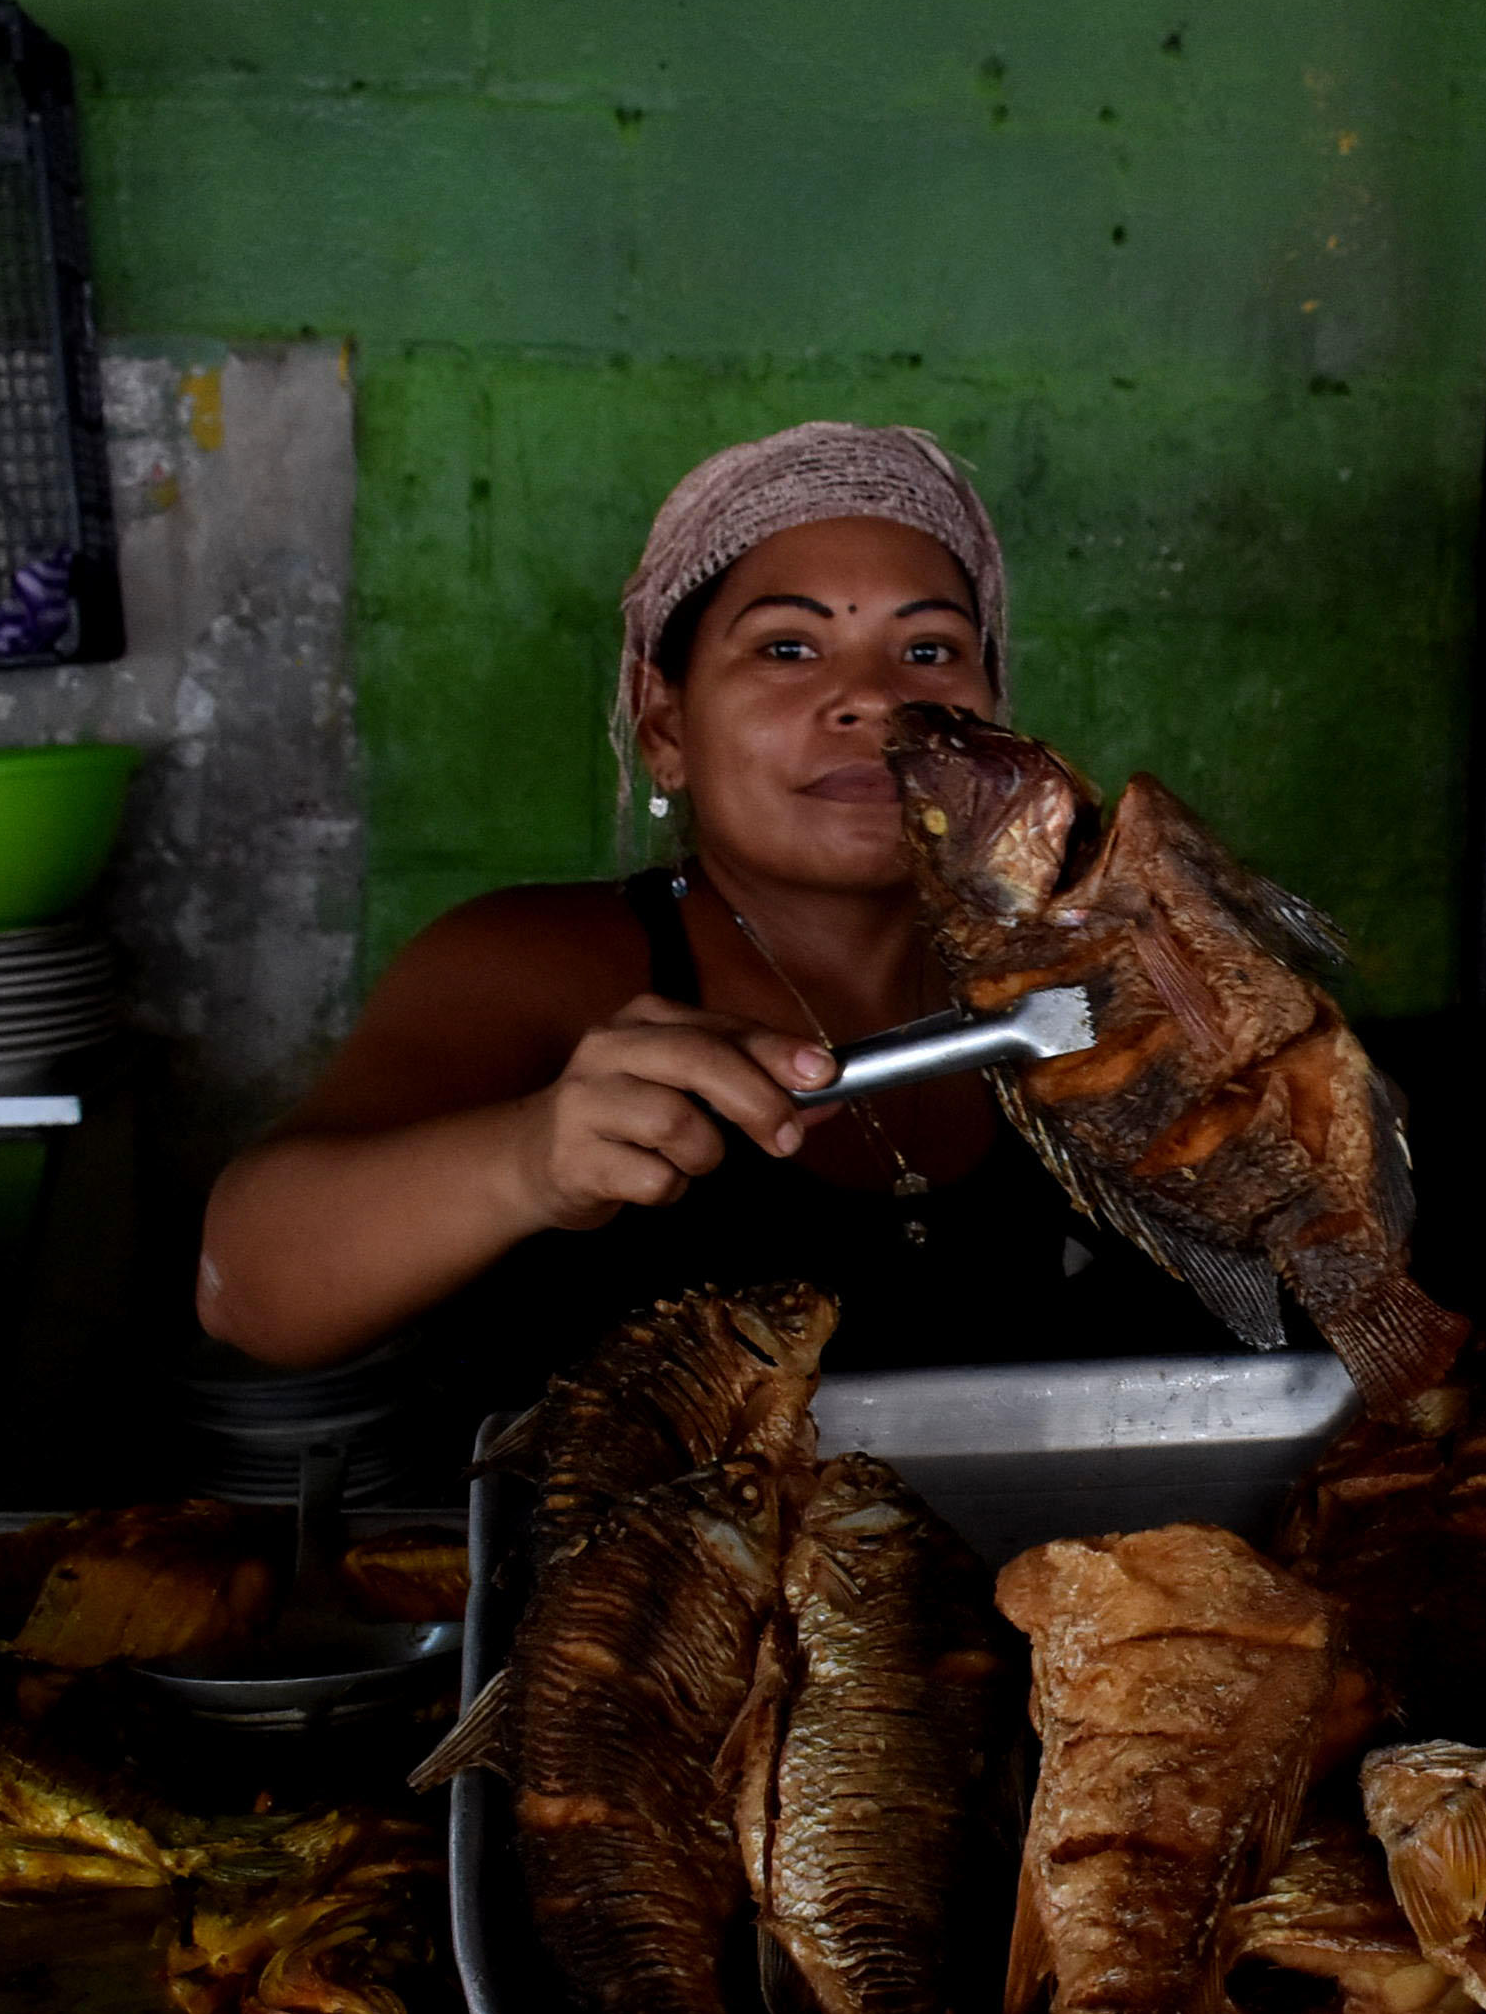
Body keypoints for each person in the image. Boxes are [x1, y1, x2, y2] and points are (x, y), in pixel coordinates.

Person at [198, 422, 1215, 1392]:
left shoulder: (1076, 975)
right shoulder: (534, 967)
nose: (872, 700)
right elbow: (247, 1294)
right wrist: (524, 1159)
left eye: (928, 651)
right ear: (663, 728)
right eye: (785, 648)